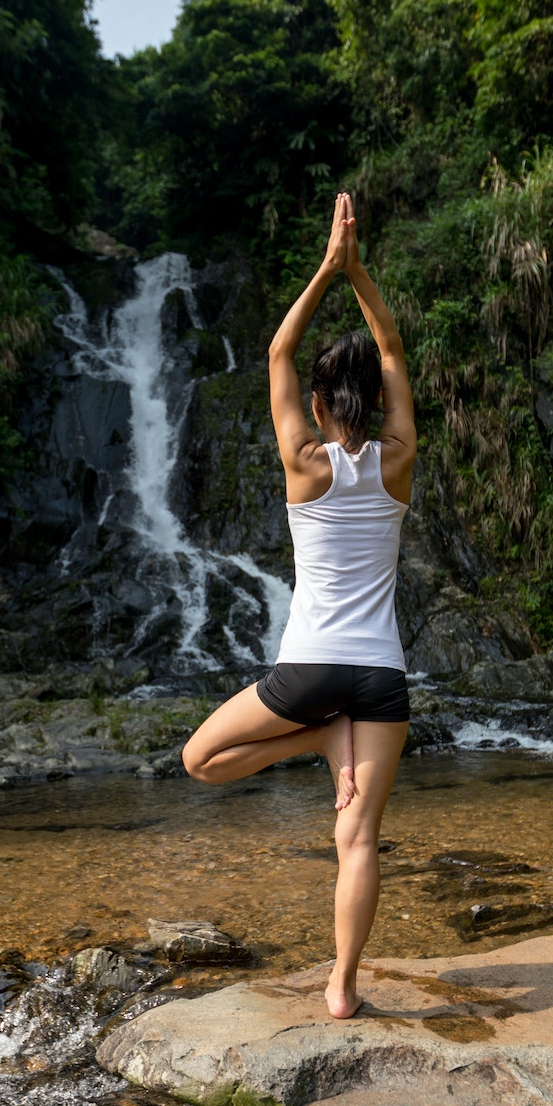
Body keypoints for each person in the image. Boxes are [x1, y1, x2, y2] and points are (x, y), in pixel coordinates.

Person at [180, 192, 415, 1020]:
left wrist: (327, 267)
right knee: (358, 838)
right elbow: (387, 340)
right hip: (382, 678)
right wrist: (360, 274)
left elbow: (280, 347)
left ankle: (315, 739)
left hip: (310, 670)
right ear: (379, 404)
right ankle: (343, 987)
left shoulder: (303, 464)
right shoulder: (398, 461)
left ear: (318, 407)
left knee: (198, 760)